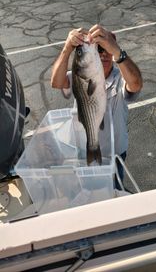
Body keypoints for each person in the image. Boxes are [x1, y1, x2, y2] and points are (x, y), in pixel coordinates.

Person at [51, 24, 143, 189]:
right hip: (83, 149)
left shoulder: (121, 77)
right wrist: (67, 48)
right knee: (87, 191)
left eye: (108, 49)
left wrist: (117, 52)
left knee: (114, 191)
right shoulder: (81, 75)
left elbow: (135, 84)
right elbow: (56, 82)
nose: (104, 54)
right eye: (99, 49)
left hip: (115, 153)